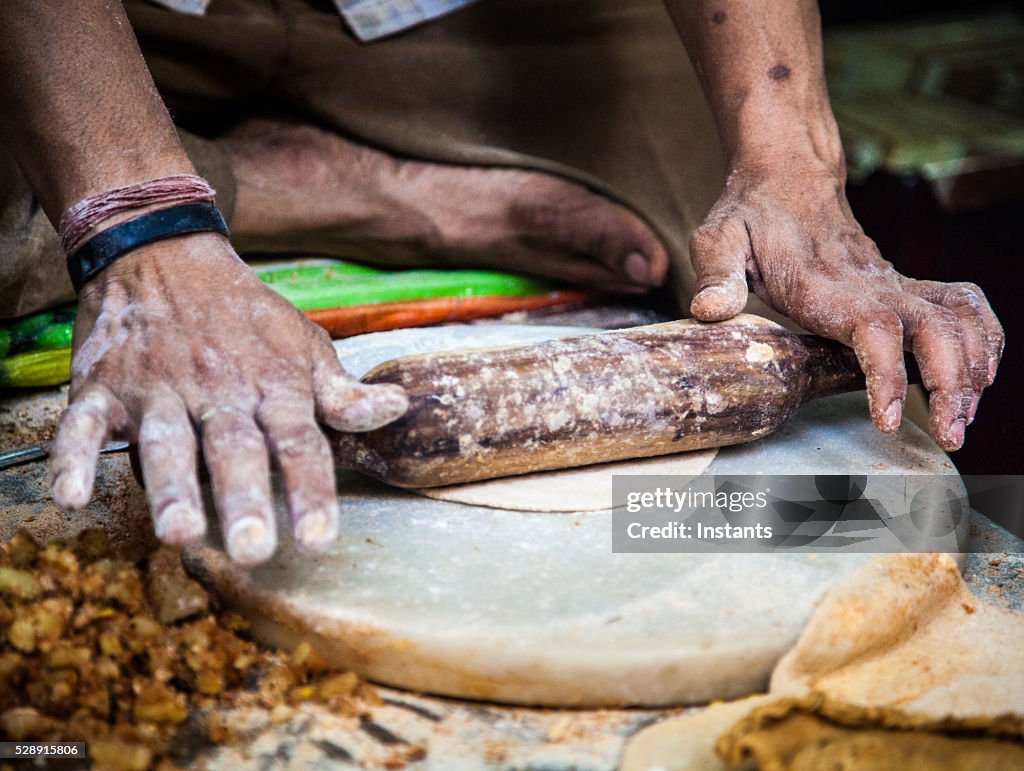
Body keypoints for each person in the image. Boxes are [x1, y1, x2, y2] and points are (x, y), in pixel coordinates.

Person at [0, 0, 1003, 565]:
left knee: (728, 269)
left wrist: (791, 170)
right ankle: (323, 190)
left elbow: (778, 183)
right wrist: (142, 222)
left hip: (486, 23)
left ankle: (275, 173)